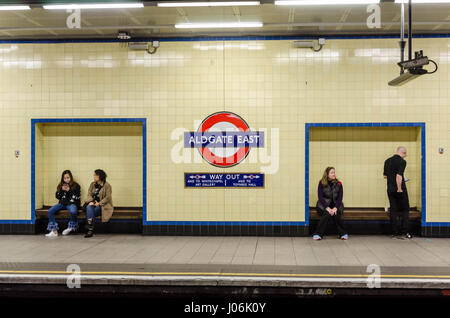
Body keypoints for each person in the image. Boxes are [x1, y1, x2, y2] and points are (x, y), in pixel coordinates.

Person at [384, 146, 412, 239]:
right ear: (403, 152)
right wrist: (399, 188)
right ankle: (405, 232)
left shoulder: (387, 161)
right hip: (399, 189)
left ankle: (394, 232)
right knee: (405, 209)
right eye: (405, 154)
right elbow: (399, 176)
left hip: (390, 189)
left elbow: (385, 176)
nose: (405, 156)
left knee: (393, 210)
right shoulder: (402, 162)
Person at [313, 167, 348, 240]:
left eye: (334, 172)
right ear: (327, 174)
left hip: (336, 205)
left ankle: (343, 234)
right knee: (327, 213)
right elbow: (320, 197)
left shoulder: (339, 183)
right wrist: (327, 208)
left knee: (336, 214)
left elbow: (340, 198)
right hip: (323, 205)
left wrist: (335, 208)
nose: (334, 174)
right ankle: (318, 234)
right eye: (332, 173)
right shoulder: (321, 183)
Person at [45, 170, 81, 237]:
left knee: (73, 211)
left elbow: (77, 197)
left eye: (68, 178)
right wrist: (61, 190)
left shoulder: (76, 185)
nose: (66, 180)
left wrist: (69, 190)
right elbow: (57, 196)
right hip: (62, 204)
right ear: (63, 178)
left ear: (71, 177)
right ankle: (54, 231)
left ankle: (71, 227)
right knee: (50, 211)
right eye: (65, 178)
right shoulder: (61, 185)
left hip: (71, 204)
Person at [83, 169, 114, 238]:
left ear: (100, 176)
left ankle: (89, 228)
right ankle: (90, 229)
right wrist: (92, 201)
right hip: (93, 204)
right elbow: (89, 195)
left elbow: (108, 197)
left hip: (103, 206)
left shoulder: (107, 185)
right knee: (89, 207)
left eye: (95, 175)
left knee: (90, 211)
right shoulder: (92, 184)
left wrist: (99, 203)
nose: (93, 176)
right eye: (94, 175)